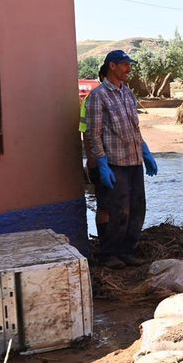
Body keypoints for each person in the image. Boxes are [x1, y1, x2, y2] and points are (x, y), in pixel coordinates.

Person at [83, 50, 159, 269]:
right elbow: (93, 133)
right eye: (125, 65)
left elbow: (134, 128)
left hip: (134, 161)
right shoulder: (99, 96)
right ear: (112, 66)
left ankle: (127, 251)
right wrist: (102, 163)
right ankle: (109, 255)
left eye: (129, 64)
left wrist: (145, 152)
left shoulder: (127, 93)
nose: (129, 68)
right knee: (118, 210)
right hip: (115, 163)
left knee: (137, 208)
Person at [79, 65, 109, 237]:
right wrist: (92, 160)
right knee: (104, 205)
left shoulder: (121, 95)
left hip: (118, 160)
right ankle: (106, 244)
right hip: (100, 159)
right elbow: (86, 131)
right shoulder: (92, 99)